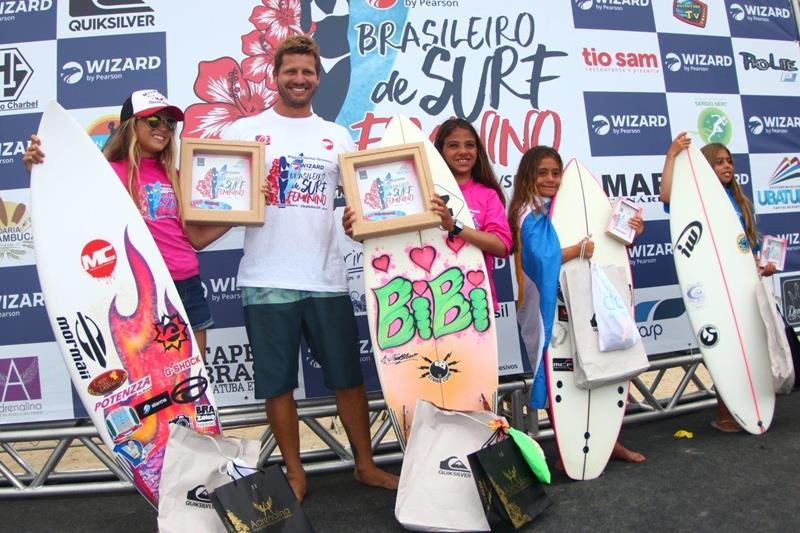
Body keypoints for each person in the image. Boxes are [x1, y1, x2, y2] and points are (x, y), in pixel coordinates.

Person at [221, 34, 398, 501]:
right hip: (264, 279)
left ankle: (364, 464)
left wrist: (358, 218)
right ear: (275, 76)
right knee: (277, 385)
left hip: (326, 279)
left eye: (307, 72)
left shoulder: (336, 136)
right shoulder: (242, 133)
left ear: (318, 78)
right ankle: (296, 473)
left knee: (347, 377)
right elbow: (212, 193)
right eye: (290, 71)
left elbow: (362, 205)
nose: (299, 79)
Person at [22, 89, 230, 358]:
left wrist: (242, 216)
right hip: (139, 289)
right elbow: (67, 205)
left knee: (195, 385)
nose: (163, 129)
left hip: (187, 285)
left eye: (169, 122)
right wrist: (39, 168)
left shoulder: (177, 175)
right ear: (131, 124)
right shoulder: (104, 172)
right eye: (153, 121)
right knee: (155, 385)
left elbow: (196, 238)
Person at [508, 146, 646, 465]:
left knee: (599, 365)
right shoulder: (527, 212)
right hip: (545, 309)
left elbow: (607, 248)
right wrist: (577, 250)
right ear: (528, 175)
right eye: (542, 172)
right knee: (563, 374)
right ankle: (568, 449)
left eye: (556, 172)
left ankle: (608, 441)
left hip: (583, 301)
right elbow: (542, 260)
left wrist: (630, 232)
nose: (551, 178)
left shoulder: (570, 207)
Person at [659, 132, 775, 433]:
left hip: (744, 284)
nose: (727, 167)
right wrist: (672, 156)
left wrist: (762, 265)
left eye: (729, 162)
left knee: (749, 342)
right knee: (724, 345)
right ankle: (728, 414)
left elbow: (746, 246)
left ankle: (752, 407)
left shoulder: (738, 201)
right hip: (713, 287)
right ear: (704, 168)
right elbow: (667, 196)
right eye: (718, 162)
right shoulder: (693, 199)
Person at [430, 118, 513, 310]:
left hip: (477, 301)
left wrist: (455, 227)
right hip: (433, 303)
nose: (463, 152)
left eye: (470, 145)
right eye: (453, 145)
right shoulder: (426, 191)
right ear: (440, 151)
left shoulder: (488, 195)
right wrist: (359, 230)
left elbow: (502, 246)